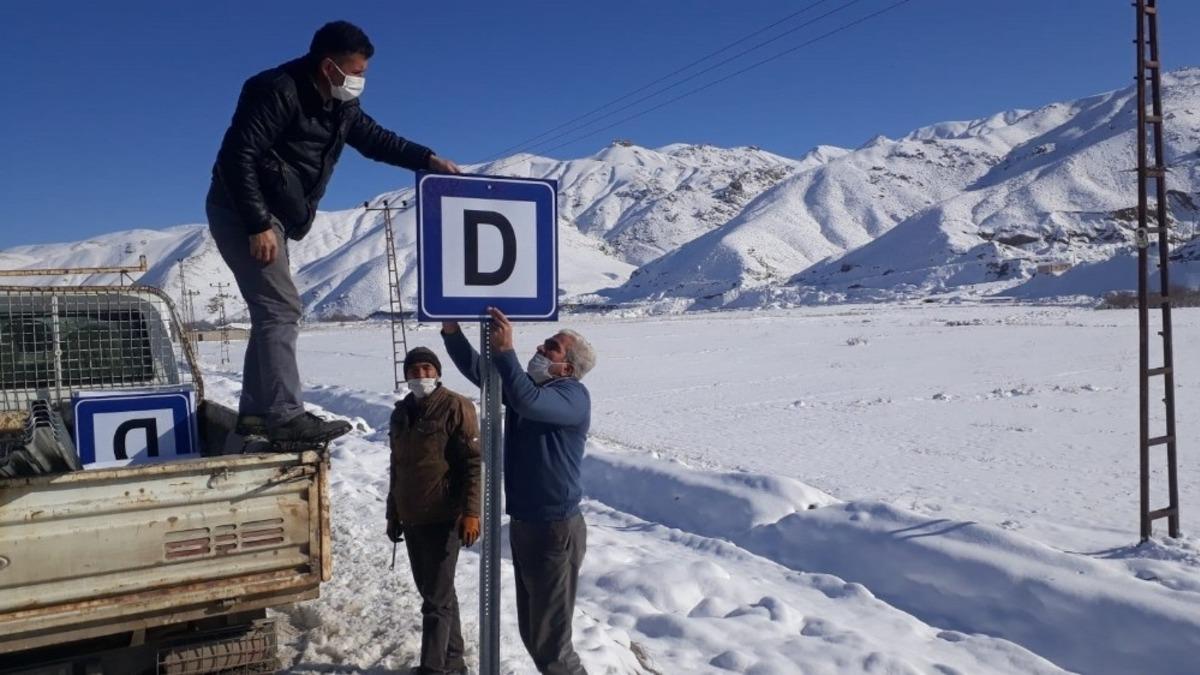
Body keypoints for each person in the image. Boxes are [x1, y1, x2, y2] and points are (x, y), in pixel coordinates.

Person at [206, 20, 461, 446]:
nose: (360, 80)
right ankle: (285, 416)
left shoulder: (341, 106)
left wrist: (428, 159)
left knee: (270, 310)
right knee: (280, 308)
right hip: (241, 209)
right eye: (356, 71)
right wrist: (256, 223)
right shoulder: (275, 90)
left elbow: (377, 140)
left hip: (275, 214)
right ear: (329, 67)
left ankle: (255, 414)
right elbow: (237, 156)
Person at [442, 308, 596, 675]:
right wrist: (452, 331)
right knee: (534, 635)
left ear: (567, 368)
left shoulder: (572, 396)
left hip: (554, 528)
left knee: (553, 647)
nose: (541, 348)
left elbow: (526, 401)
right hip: (527, 524)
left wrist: (506, 350)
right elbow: (484, 374)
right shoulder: (533, 389)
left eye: (552, 347)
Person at [387, 346, 481, 675]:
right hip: (412, 516)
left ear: (437, 372)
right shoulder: (401, 412)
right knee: (436, 592)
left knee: (435, 602)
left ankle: (432, 668)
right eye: (414, 370)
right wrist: (393, 512)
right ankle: (454, 662)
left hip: (444, 516)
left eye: (427, 368)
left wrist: (471, 512)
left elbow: (472, 464)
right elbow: (397, 466)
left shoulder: (456, 406)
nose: (421, 375)